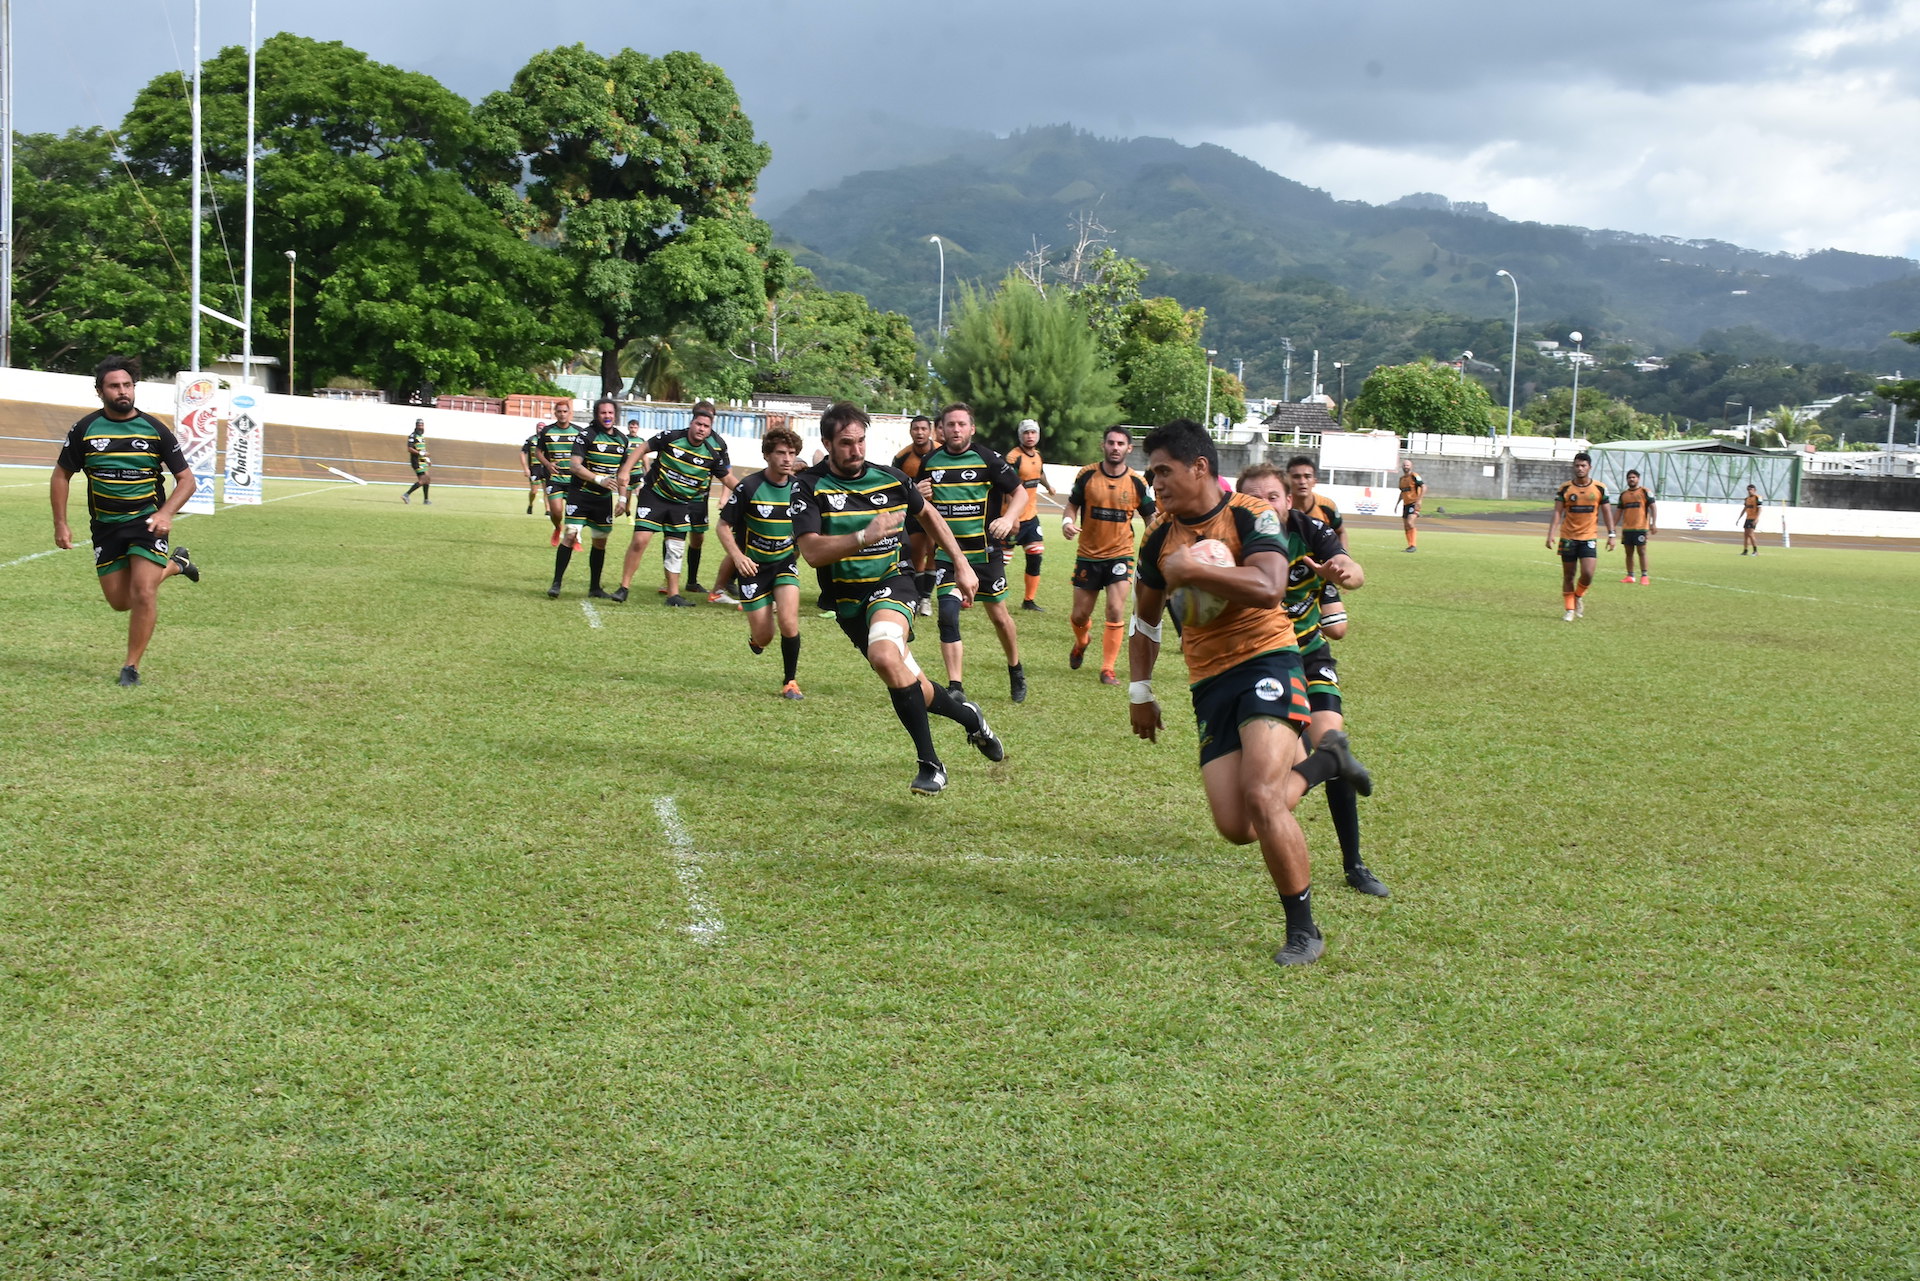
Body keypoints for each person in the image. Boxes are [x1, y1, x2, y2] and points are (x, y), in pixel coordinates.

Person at [1127, 420, 1372, 968]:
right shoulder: (1158, 537)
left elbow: (1269, 588)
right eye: (1151, 473)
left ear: (1199, 467)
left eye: (1163, 471)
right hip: (1208, 678)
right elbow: (1144, 621)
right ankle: (1327, 761)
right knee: (1236, 826)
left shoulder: (1251, 513)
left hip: (1270, 659)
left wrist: (1194, 569)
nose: (1155, 483)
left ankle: (1303, 930)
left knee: (1264, 796)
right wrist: (1139, 690)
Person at [792, 401, 1006, 795]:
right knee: (911, 682)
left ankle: (931, 764)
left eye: (860, 441)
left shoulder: (890, 479)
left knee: (886, 656)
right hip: (847, 602)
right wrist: (863, 536)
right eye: (845, 443)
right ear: (826, 442)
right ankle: (970, 718)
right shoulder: (808, 487)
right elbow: (811, 552)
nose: (855, 451)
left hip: (895, 581)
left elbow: (929, 516)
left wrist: (960, 562)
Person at [1237, 464, 1384, 898]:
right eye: (1253, 498)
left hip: (1307, 654)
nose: (1265, 504)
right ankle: (1281, 828)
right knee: (1276, 781)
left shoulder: (1309, 528)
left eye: (1273, 496)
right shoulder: (1231, 536)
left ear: (1287, 500)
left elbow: (1352, 570)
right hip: (1259, 663)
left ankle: (1354, 864)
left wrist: (1340, 573)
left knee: (1331, 741)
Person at [49, 355, 203, 687]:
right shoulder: (85, 430)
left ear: (134, 388)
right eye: (114, 386)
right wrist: (60, 523)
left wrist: (165, 513)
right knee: (121, 602)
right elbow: (61, 475)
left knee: (144, 591)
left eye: (127, 385)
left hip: (147, 523)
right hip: (105, 526)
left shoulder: (154, 429)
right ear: (100, 391)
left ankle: (130, 667)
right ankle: (176, 564)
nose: (122, 391)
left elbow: (187, 480)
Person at [920, 402, 1028, 702]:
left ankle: (1015, 668)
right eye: (950, 424)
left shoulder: (988, 459)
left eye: (961, 424)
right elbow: (920, 507)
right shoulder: (930, 461)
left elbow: (1018, 491)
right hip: (949, 555)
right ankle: (956, 686)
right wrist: (919, 493)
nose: (955, 429)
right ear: (941, 429)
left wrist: (1008, 518)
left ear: (972, 428)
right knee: (948, 616)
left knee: (1000, 617)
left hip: (985, 554)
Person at [614, 400, 736, 606]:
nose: (701, 429)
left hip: (681, 503)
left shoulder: (711, 453)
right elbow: (643, 447)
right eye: (698, 424)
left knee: (676, 548)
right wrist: (625, 470)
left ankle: (673, 595)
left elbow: (727, 478)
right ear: (692, 423)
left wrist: (751, 493)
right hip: (654, 495)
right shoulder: (671, 437)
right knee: (640, 540)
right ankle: (623, 587)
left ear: (710, 429)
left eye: (706, 426)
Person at [717, 425, 808, 699]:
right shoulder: (749, 487)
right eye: (781, 452)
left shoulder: (799, 489)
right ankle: (756, 638)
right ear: (767, 455)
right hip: (753, 569)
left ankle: (790, 682)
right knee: (765, 637)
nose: (787, 459)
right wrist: (738, 556)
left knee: (790, 624)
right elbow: (723, 526)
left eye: (792, 453)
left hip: (784, 564)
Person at [1061, 426, 1155, 685]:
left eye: (1120, 443)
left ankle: (1108, 669)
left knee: (1115, 609)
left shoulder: (1138, 482)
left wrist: (1158, 547)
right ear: (1103, 445)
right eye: (1111, 443)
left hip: (1120, 555)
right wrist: (1067, 522)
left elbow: (1151, 518)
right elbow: (1072, 504)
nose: (1115, 447)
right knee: (1080, 615)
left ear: (1129, 448)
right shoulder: (1087, 475)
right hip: (1088, 556)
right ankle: (1082, 641)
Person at [551, 398, 633, 599]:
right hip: (580, 495)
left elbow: (623, 473)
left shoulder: (622, 440)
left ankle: (595, 587)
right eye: (603, 413)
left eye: (610, 413)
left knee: (600, 542)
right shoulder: (586, 435)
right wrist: (599, 479)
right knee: (570, 534)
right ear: (597, 414)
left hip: (603, 500)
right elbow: (575, 466)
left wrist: (622, 499)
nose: (607, 416)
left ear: (615, 415)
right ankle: (556, 583)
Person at [1284, 455, 1347, 641]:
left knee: (1337, 631)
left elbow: (1341, 531)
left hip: (1322, 574)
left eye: (1307, 476)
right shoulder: (1280, 506)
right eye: (1296, 476)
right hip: (1290, 576)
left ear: (1315, 481)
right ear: (1287, 479)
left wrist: (1343, 562)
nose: (1302, 481)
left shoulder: (1326, 506)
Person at [1546, 450, 1614, 621]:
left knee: (1588, 573)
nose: (1580, 469)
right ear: (1573, 467)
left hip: (1589, 537)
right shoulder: (1565, 488)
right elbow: (1557, 513)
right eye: (1577, 465)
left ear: (1589, 467)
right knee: (1568, 575)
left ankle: (1578, 596)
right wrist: (1551, 534)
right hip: (1568, 537)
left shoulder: (1600, 488)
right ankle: (1569, 609)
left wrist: (1612, 534)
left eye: (1583, 465)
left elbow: (1607, 513)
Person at [891, 413, 938, 615]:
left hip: (939, 511)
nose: (919, 432)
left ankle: (927, 596)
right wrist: (914, 491)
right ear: (910, 431)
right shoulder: (902, 457)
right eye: (915, 429)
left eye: (923, 429)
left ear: (930, 431)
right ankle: (920, 597)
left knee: (935, 554)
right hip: (914, 513)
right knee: (918, 553)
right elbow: (893, 487)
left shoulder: (941, 452)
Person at [1010, 418, 1056, 611]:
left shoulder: (1037, 455)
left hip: (1031, 516)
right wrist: (1010, 518)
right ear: (1020, 435)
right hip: (1012, 518)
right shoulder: (1013, 457)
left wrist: (1048, 486)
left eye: (1033, 432)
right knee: (997, 561)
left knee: (1035, 555)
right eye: (1026, 433)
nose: (1030, 436)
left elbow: (1040, 472)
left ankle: (1029, 601)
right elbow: (1006, 489)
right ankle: (972, 594)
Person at [534, 399, 579, 548]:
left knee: (573, 514)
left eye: (565, 411)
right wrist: (547, 464)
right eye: (559, 411)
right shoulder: (547, 431)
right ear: (555, 413)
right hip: (554, 478)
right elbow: (538, 452)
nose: (562, 414)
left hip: (574, 479)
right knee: (557, 511)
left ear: (570, 413)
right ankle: (557, 527)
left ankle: (574, 538)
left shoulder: (579, 432)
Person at [1617, 468, 1656, 583]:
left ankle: (1644, 576)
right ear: (1627, 480)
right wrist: (1612, 526)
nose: (1631, 479)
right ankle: (1630, 576)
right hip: (1627, 528)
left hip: (1641, 528)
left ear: (1638, 479)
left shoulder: (1645, 492)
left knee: (1642, 551)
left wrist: (1654, 523)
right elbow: (1618, 511)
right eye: (1629, 478)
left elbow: (1653, 507)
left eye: (1634, 477)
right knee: (1628, 552)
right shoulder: (1624, 495)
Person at [1395, 459, 1425, 552]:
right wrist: (1397, 504)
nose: (1406, 467)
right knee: (1406, 526)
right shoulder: (1402, 479)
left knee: (1410, 523)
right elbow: (1402, 492)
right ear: (1402, 467)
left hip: (1414, 503)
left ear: (1411, 466)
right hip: (1406, 504)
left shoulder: (1414, 476)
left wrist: (1419, 500)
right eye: (1404, 465)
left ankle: (1413, 545)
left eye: (1407, 465)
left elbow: (1424, 487)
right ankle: (1410, 546)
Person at [402, 418, 432, 504]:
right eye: (419, 425)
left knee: (428, 479)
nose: (421, 427)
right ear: (416, 426)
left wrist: (427, 459)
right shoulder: (413, 436)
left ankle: (426, 500)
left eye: (422, 425)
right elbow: (409, 448)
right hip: (416, 461)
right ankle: (406, 495)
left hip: (422, 461)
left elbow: (423, 450)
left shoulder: (421, 437)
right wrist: (422, 454)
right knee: (423, 480)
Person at [519, 429, 548, 516]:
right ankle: (531, 504)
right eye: (539, 428)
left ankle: (548, 510)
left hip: (545, 467)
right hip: (534, 468)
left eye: (542, 428)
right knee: (534, 491)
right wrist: (525, 468)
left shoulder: (548, 439)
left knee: (547, 490)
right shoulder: (531, 439)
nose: (540, 430)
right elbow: (522, 453)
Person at [1739, 483, 1762, 555]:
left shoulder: (1758, 497)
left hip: (1753, 518)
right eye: (1748, 490)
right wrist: (1739, 517)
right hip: (1748, 518)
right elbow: (1745, 508)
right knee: (1746, 534)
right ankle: (1745, 550)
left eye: (1751, 489)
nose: (1749, 491)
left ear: (1755, 490)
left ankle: (1755, 551)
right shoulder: (1747, 499)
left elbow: (1760, 509)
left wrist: (1757, 518)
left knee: (1751, 534)